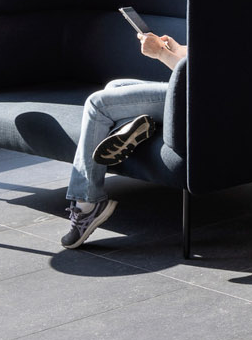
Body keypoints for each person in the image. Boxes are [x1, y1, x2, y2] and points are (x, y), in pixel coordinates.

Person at [61, 29, 186, 249]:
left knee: (97, 104)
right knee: (115, 87)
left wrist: (161, 55)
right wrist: (178, 50)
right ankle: (135, 125)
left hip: (198, 99)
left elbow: (211, 77)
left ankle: (88, 203)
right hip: (191, 90)